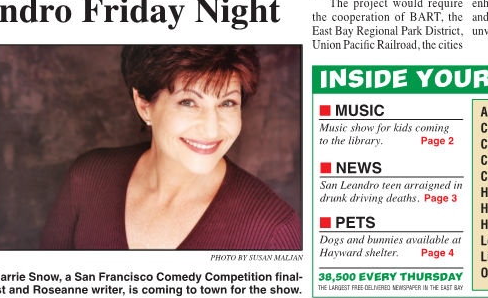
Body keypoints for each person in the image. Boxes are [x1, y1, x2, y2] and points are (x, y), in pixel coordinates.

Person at [40, 45, 301, 250]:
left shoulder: (274, 231)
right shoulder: (88, 179)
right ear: (144, 105)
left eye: (227, 103)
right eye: (188, 102)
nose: (211, 130)